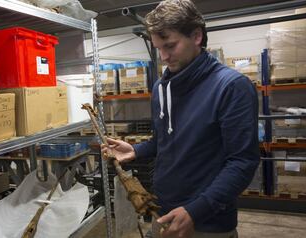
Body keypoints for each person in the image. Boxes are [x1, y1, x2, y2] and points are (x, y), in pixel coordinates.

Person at [101, 0, 260, 237]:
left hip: (206, 222)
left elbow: (242, 162)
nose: (163, 57)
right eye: (158, 49)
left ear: (196, 36)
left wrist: (196, 211)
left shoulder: (231, 87)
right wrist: (136, 150)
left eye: (170, 46)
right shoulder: (161, 88)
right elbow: (165, 139)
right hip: (162, 211)